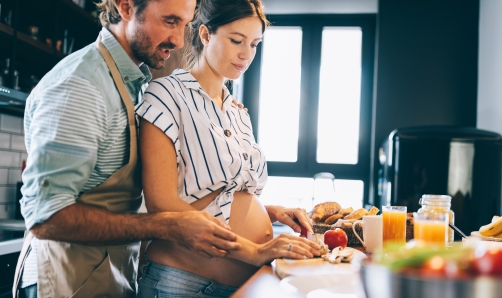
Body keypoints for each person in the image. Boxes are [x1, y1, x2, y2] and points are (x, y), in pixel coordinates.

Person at [12, 0, 243, 297]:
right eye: (170, 21)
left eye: (184, 25)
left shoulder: (133, 83)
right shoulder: (82, 85)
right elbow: (46, 215)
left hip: (105, 275)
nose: (179, 39)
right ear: (125, 7)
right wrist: (165, 226)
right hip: (63, 281)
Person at [135, 0, 321, 296]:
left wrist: (272, 212)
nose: (246, 54)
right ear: (206, 35)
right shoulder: (165, 95)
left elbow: (225, 195)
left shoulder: (237, 111)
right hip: (184, 285)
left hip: (240, 284)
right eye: (236, 40)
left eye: (255, 44)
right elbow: (163, 204)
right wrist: (255, 251)